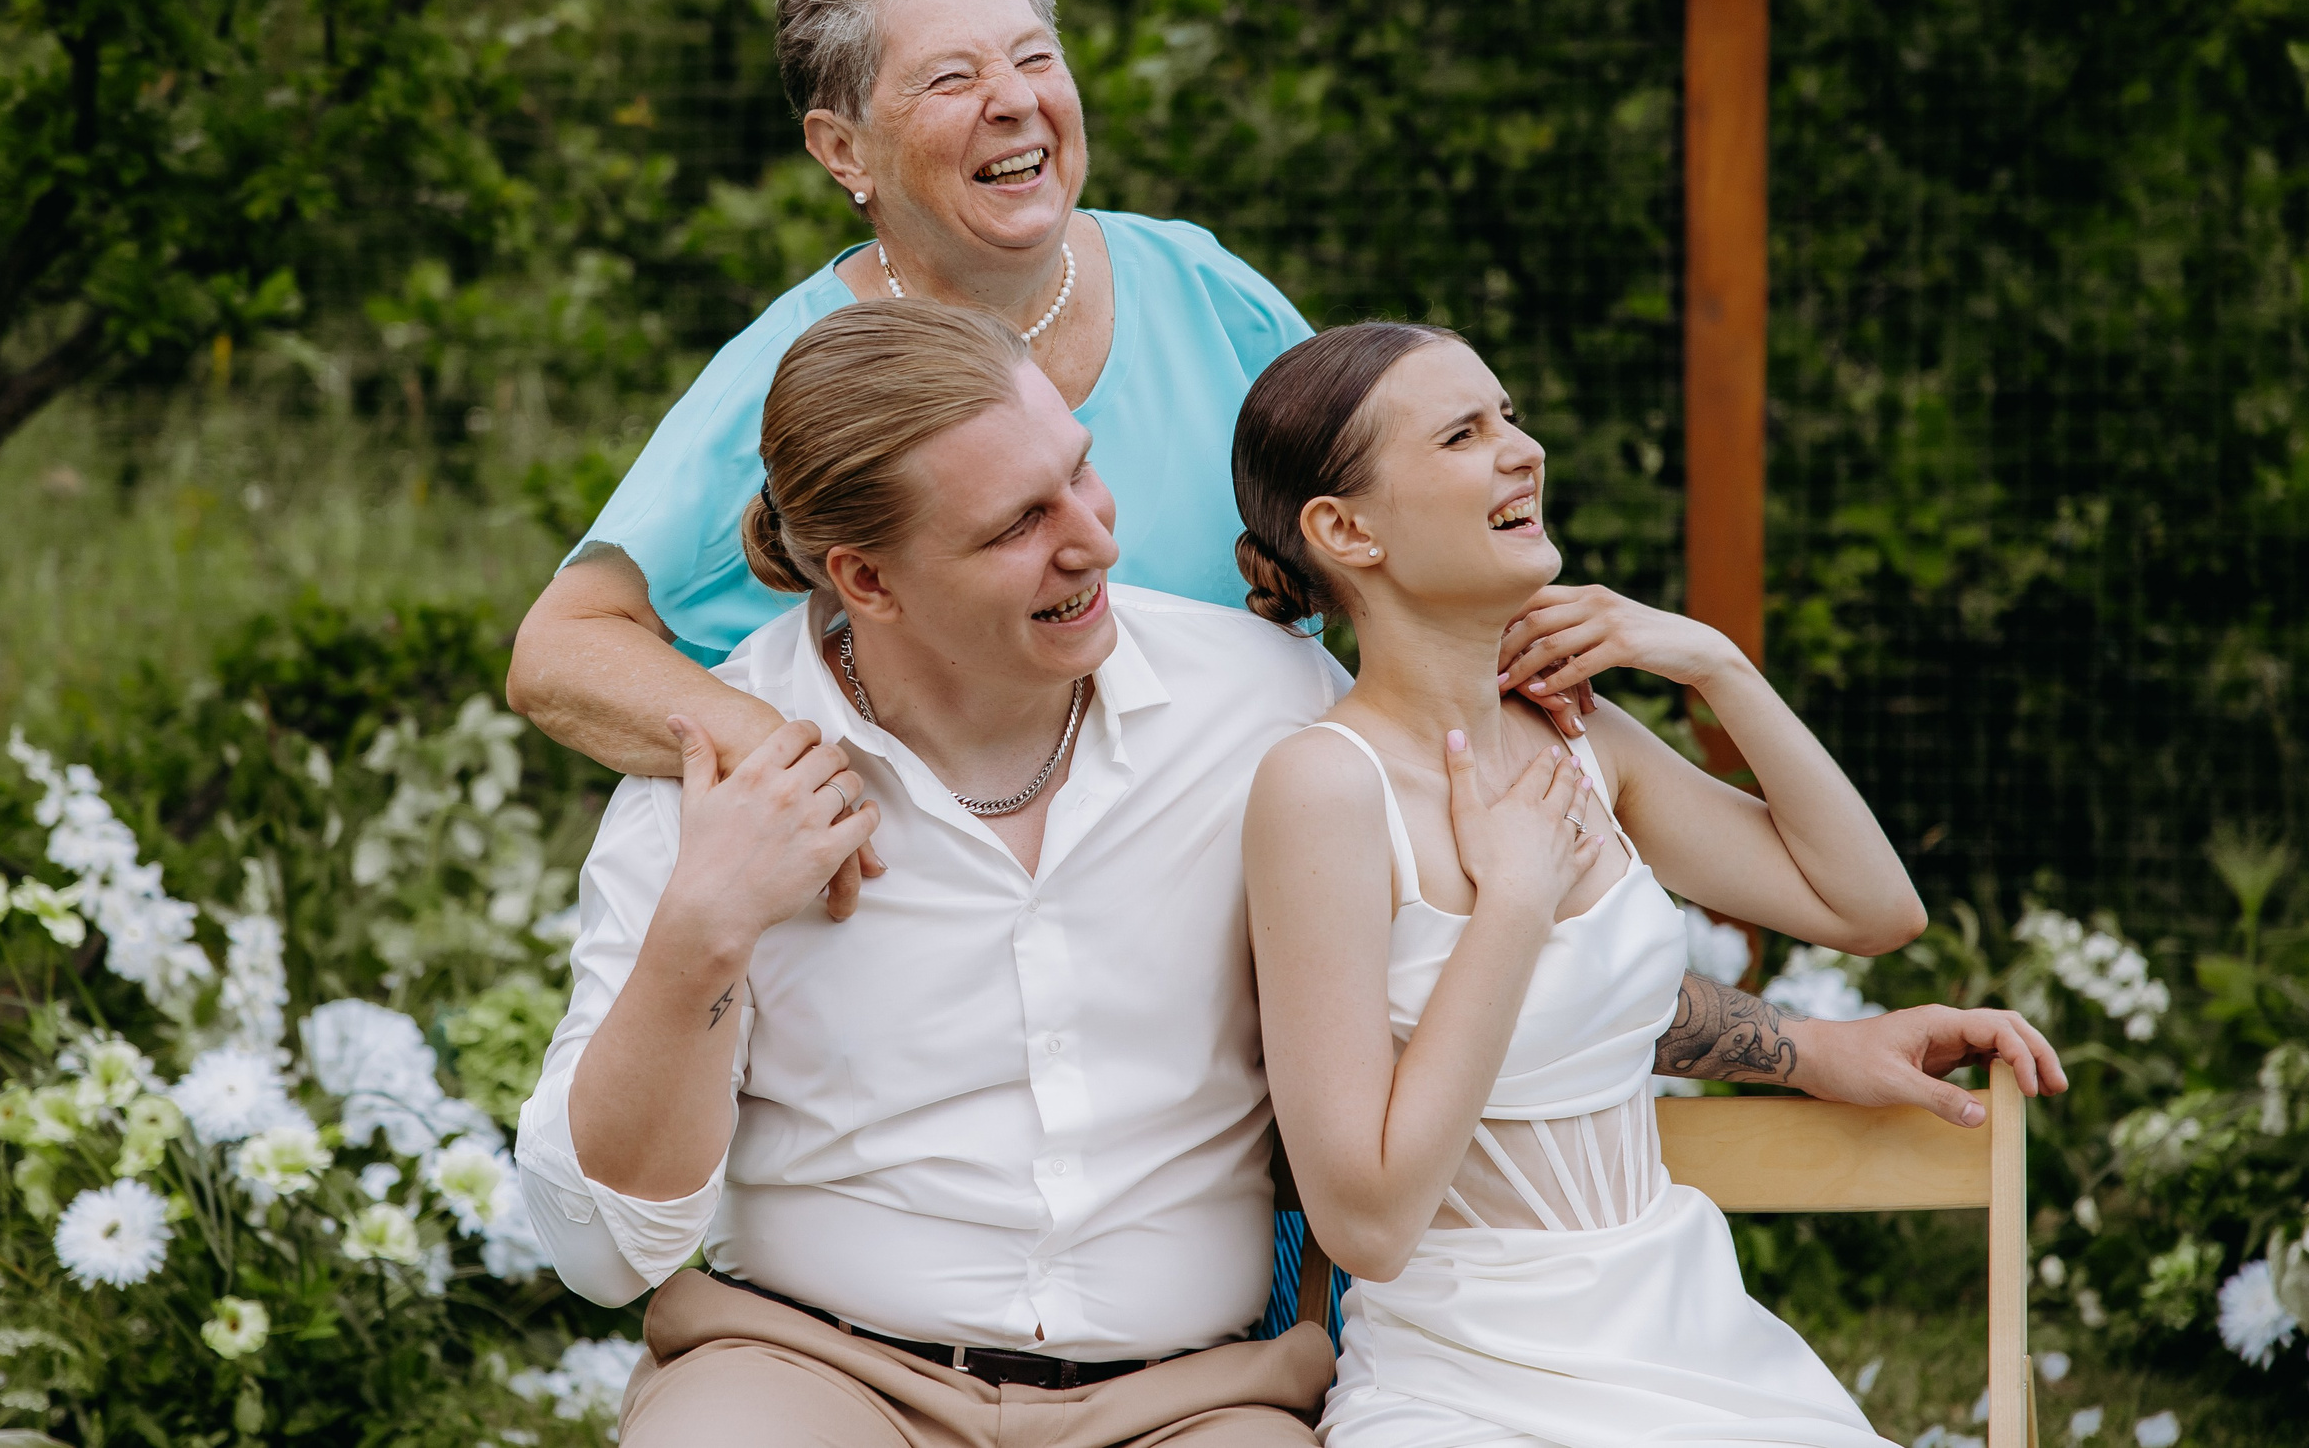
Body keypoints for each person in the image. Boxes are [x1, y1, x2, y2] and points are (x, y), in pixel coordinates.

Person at [518, 302, 2068, 1448]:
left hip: (1185, 1402)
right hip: (816, 1370)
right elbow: (603, 1252)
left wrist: (1808, 1049)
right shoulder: (720, 784)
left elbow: (1451, 947)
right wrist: (700, 931)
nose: (1096, 541)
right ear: (865, 578)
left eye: (1083, 476)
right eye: (1020, 523)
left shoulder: (1260, 707)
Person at [1231, 323, 2069, 1447]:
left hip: (1686, 1330)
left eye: (1511, 417)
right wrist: (1515, 906)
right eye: (1463, 434)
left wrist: (1709, 659)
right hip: (1468, 1379)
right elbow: (1367, 1225)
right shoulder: (1322, 788)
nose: (1520, 451)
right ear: (1347, 529)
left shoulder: (1581, 741)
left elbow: (1869, 909)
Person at [506, 0, 1313, 811]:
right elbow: (562, 650)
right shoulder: (800, 373)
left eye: (1034, 56)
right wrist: (801, 771)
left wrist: (1505, 616)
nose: (1013, 100)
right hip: (957, 900)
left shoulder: (1198, 283)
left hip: (1250, 870)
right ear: (843, 150)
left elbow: (1387, 518)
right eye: (951, 77)